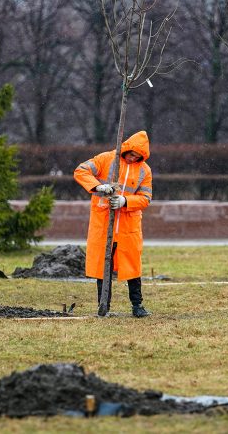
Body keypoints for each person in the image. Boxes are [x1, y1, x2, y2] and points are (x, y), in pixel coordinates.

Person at [74, 131, 153, 317]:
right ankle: (103, 306)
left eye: (138, 157)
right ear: (126, 149)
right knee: (104, 267)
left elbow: (146, 198)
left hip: (128, 226)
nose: (133, 159)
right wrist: (98, 187)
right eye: (132, 154)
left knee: (132, 266)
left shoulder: (144, 170)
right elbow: (80, 171)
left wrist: (125, 201)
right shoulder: (105, 159)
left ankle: (137, 306)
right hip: (103, 224)